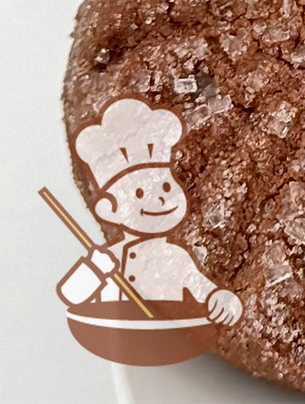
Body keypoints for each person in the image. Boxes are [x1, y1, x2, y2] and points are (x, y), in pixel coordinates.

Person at [56, 97, 242, 325]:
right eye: (140, 193)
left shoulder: (178, 256)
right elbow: (72, 294)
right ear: (110, 209)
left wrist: (222, 300)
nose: (161, 199)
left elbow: (207, 291)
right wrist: (95, 267)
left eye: (167, 187)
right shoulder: (111, 257)